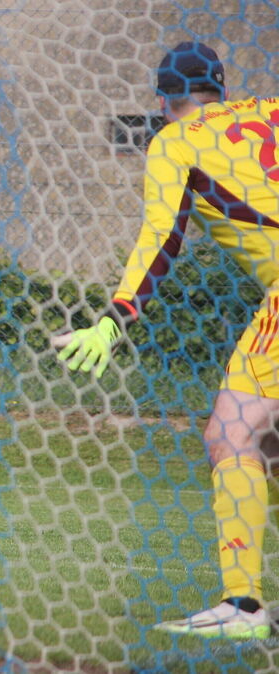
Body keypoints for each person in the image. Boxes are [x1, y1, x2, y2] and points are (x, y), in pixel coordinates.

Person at [56, 42, 279, 639]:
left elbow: (162, 236)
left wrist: (114, 319)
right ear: (222, 90)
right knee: (265, 445)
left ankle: (244, 608)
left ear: (162, 99)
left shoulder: (175, 142)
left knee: (232, 434)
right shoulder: (271, 110)